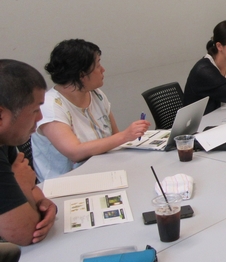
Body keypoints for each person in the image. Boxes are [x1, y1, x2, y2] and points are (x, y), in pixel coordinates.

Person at [31, 39, 150, 181]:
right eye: (98, 65)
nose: (103, 70)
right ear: (81, 75)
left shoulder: (96, 94)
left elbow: (114, 136)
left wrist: (126, 137)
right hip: (65, 183)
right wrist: (125, 136)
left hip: (102, 171)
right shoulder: (50, 105)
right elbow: (74, 152)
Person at [0, 59, 56, 262]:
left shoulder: (6, 139)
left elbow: (33, 189)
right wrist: (23, 189)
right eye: (35, 110)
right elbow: (25, 232)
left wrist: (41, 201)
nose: (39, 121)